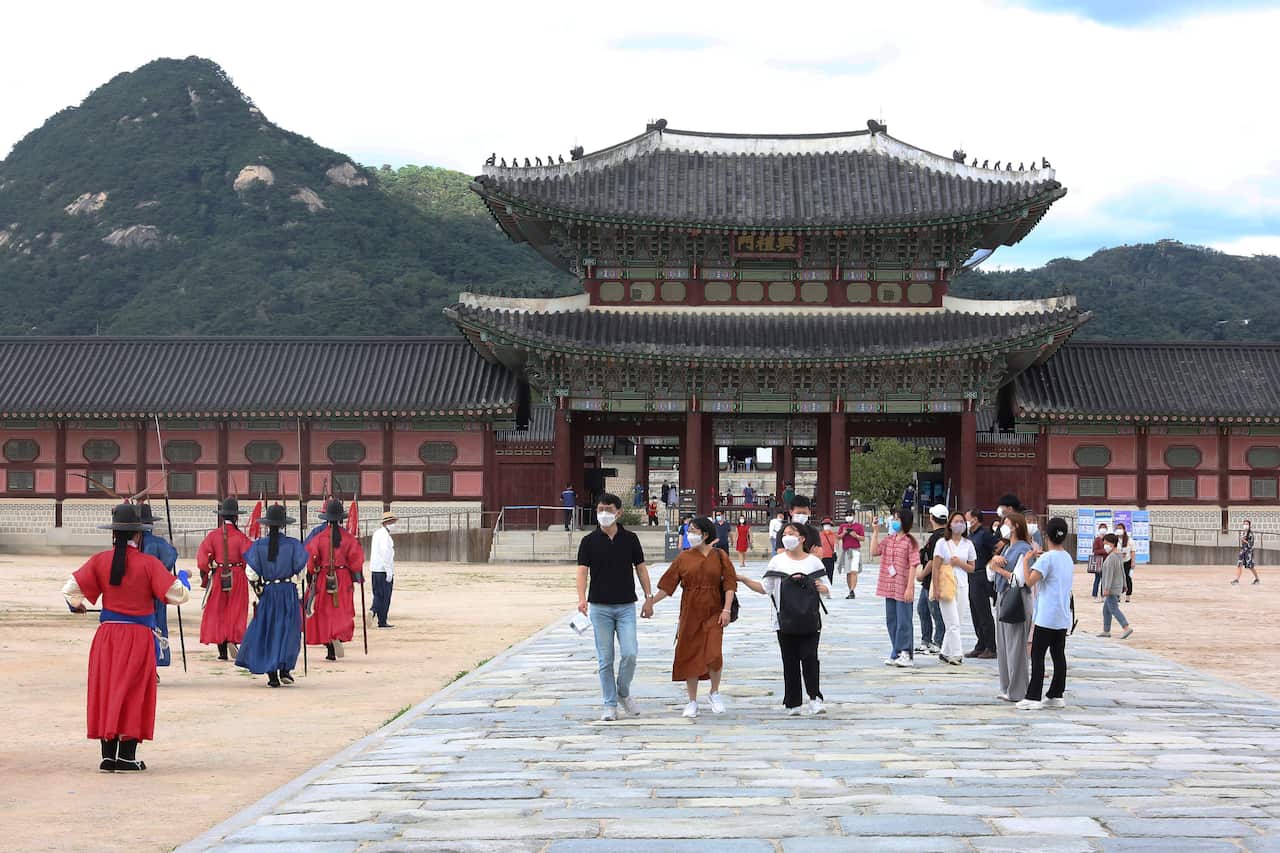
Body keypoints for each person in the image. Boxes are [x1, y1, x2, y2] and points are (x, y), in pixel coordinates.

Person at [61, 503, 191, 772]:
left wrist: (76, 605)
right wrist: (181, 578)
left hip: (107, 636)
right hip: (137, 637)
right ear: (138, 534)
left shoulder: (100, 561)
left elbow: (70, 590)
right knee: (133, 692)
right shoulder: (149, 564)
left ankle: (108, 756)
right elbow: (179, 595)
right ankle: (127, 757)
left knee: (107, 690)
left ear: (113, 534)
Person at [644, 517, 737, 718]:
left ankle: (714, 692)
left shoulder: (720, 556)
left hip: (714, 610)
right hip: (690, 611)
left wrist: (726, 610)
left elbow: (730, 584)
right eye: (689, 530)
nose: (690, 534)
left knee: (714, 653)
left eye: (694, 531)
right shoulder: (683, 558)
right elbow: (668, 586)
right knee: (689, 653)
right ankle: (692, 700)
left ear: (705, 534)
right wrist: (651, 602)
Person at [577, 492, 653, 722]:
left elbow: (641, 568)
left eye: (608, 510)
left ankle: (623, 691)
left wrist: (649, 597)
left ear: (618, 513)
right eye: (600, 509)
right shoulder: (588, 541)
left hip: (625, 605)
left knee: (630, 653)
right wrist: (581, 598)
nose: (604, 514)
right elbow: (582, 572)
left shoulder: (630, 539)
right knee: (605, 658)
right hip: (599, 606)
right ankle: (609, 704)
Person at [739, 522, 829, 715]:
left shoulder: (814, 562)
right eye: (785, 533)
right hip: (784, 619)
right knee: (789, 661)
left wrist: (823, 588)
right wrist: (744, 580)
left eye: (791, 533)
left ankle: (815, 698)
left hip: (810, 618)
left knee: (810, 658)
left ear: (802, 538)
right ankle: (793, 703)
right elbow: (765, 588)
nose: (787, 537)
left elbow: (827, 587)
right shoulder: (777, 561)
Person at [235, 504, 306, 687]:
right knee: (289, 630)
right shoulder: (293, 545)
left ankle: (272, 674)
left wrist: (258, 588)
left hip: (268, 592)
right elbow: (302, 572)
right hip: (288, 591)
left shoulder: (258, 545)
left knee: (269, 630)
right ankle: (285, 669)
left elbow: (251, 573)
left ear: (267, 524)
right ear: (283, 524)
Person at [1018, 516, 1073, 710]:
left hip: (1046, 615)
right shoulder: (1067, 558)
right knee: (1058, 655)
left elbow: (1029, 581)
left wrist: (1026, 560)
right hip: (1062, 615)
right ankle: (1056, 694)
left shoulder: (1047, 558)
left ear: (1046, 535)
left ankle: (1033, 696)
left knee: (1038, 655)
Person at [304, 499, 366, 661]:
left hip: (324, 577)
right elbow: (357, 561)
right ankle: (337, 635)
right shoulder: (349, 538)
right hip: (343, 577)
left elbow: (311, 561)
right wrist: (355, 573)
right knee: (342, 610)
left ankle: (329, 646)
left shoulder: (318, 538)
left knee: (324, 611)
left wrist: (312, 573)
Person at [197, 498, 252, 661]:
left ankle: (222, 651)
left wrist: (206, 575)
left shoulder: (212, 536)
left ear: (222, 517)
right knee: (236, 610)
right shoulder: (241, 537)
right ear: (236, 517)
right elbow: (250, 559)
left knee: (218, 611)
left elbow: (202, 559)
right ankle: (232, 639)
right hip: (237, 575)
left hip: (219, 574)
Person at [989, 511, 1035, 702]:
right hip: (1003, 597)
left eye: (1006, 523)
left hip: (1017, 599)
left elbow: (1019, 580)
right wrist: (994, 562)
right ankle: (1007, 686)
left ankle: (1018, 690)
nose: (1003, 527)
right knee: (1003, 645)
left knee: (1016, 647)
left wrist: (998, 569)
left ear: (1015, 526)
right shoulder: (1007, 548)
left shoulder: (1024, 549)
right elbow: (990, 574)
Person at [927, 511, 976, 666]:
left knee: (956, 622)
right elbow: (935, 567)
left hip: (962, 585)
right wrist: (935, 587)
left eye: (962, 521)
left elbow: (972, 567)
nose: (959, 524)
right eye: (956, 521)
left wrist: (960, 563)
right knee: (952, 622)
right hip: (946, 585)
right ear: (949, 524)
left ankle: (945, 652)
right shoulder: (942, 543)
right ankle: (956, 653)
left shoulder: (968, 544)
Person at [872, 509, 917, 667]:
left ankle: (906, 652)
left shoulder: (910, 542)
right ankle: (896, 651)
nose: (894, 521)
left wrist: (910, 587)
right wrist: (876, 531)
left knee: (904, 621)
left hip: (903, 586)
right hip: (888, 586)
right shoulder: (889, 539)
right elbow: (874, 551)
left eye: (897, 519)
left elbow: (914, 565)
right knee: (892, 620)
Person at [137, 503, 179, 673]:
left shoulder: (130, 545)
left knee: (137, 628)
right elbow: (169, 560)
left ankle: (140, 666)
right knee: (157, 625)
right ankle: (154, 665)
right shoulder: (159, 543)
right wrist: (173, 549)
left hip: (135, 593)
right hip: (155, 592)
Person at [964, 509, 998, 659]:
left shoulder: (984, 534)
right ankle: (981, 644)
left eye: (968, 518)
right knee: (975, 612)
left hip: (981, 575)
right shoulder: (970, 535)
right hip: (971, 575)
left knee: (984, 612)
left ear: (976, 519)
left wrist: (991, 562)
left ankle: (991, 646)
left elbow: (998, 546)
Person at [916, 504, 948, 655]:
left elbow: (933, 560)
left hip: (933, 580)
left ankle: (939, 642)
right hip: (928, 581)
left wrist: (921, 574)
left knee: (936, 611)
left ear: (931, 518)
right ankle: (926, 640)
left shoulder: (938, 537)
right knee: (923, 609)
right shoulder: (940, 535)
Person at [1097, 533, 1135, 639]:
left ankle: (1126, 627)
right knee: (1106, 610)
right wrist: (1124, 584)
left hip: (1111, 588)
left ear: (1112, 543)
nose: (1105, 546)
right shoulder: (1118, 555)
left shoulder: (1112, 557)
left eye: (1106, 543)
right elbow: (1122, 571)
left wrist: (1106, 589)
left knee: (1113, 608)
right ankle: (1106, 631)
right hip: (1116, 586)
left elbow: (1109, 574)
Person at [369, 510, 397, 628]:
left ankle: (373, 611)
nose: (394, 524)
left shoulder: (377, 533)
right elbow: (385, 553)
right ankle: (381, 619)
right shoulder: (385, 536)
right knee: (385, 596)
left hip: (375, 569)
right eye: (392, 522)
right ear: (386, 523)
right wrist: (389, 570)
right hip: (383, 570)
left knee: (377, 594)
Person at [836, 514, 864, 599]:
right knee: (848, 572)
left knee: (854, 571)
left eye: (850, 515)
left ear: (854, 516)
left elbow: (863, 538)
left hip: (855, 550)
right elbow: (838, 537)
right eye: (847, 515)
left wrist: (856, 535)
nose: (848, 516)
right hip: (846, 551)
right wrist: (844, 533)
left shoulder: (859, 526)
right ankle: (850, 590)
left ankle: (852, 590)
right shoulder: (842, 526)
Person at [1233, 520, 1260, 585]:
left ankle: (1257, 579)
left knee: (1250, 566)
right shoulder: (1242, 533)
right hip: (1242, 551)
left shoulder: (1251, 534)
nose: (1245, 525)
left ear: (1249, 525)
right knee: (1239, 565)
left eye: (1247, 524)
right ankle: (1237, 580)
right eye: (1244, 524)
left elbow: (1251, 544)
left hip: (1248, 552)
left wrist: (1244, 540)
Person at [1115, 520, 1135, 601]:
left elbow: (1132, 551)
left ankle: (1128, 595)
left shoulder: (1129, 540)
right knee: (1118, 579)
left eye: (1120, 528)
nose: (1119, 530)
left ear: (1124, 530)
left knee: (1127, 578)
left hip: (1127, 561)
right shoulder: (1114, 540)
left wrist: (1133, 562)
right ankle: (1118, 595)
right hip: (1117, 561)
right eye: (1117, 528)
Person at [1090, 521, 1109, 599]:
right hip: (1098, 561)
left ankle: (1103, 595)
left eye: (1104, 528)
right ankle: (1094, 595)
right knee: (1097, 578)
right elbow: (1095, 551)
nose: (1103, 529)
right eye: (1101, 528)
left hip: (1106, 561)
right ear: (1099, 529)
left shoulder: (1108, 539)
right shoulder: (1097, 539)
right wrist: (1104, 551)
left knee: (1104, 579)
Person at [819, 518, 838, 588]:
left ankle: (829, 588)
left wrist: (835, 553)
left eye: (828, 525)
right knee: (821, 574)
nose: (827, 526)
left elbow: (835, 545)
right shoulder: (819, 535)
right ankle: (821, 588)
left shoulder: (834, 535)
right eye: (825, 525)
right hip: (821, 557)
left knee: (830, 574)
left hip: (830, 557)